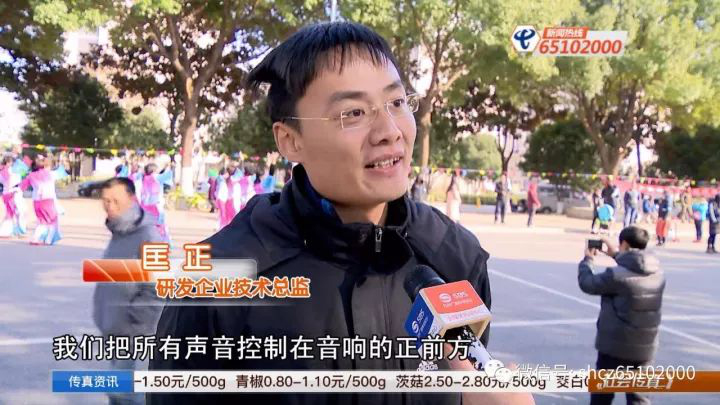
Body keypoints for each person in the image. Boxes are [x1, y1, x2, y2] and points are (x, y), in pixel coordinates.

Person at [149, 21, 532, 405]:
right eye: (353, 113)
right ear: (290, 140)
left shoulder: (454, 255)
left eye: (397, 103)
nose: (390, 131)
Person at [94, 177, 164, 405]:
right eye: (106, 201)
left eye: (116, 201)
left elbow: (156, 289)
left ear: (132, 199)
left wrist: (136, 329)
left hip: (133, 333)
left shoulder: (149, 237)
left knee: (126, 395)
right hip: (115, 328)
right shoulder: (120, 231)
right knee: (118, 392)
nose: (110, 207)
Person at [578, 226, 665, 405]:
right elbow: (636, 266)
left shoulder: (615, 276)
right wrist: (617, 255)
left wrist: (587, 260)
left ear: (624, 244)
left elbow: (588, 283)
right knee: (639, 396)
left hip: (614, 345)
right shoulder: (658, 273)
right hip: (645, 346)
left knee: (602, 394)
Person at [20, 155, 64, 245]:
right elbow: (63, 172)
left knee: (41, 221)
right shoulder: (50, 174)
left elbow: (22, 186)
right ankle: (48, 240)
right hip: (47, 200)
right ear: (46, 165)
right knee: (52, 221)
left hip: (36, 202)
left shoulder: (31, 175)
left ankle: (35, 238)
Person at [139, 162, 173, 243]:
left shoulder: (144, 178)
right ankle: (164, 241)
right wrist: (170, 167)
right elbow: (169, 175)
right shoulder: (156, 177)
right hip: (156, 206)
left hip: (145, 206)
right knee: (160, 225)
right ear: (154, 170)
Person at [0, 155, 27, 237]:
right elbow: (8, 183)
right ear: (8, 162)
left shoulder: (4, 170)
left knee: (10, 213)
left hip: (6, 194)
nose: (12, 164)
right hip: (10, 193)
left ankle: (5, 231)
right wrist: (14, 189)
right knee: (16, 212)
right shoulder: (6, 171)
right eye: (11, 162)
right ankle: (18, 231)